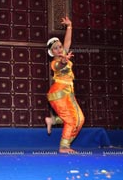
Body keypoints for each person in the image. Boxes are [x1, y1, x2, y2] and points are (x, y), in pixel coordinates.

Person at [45, 16, 85, 153]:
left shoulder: (64, 53)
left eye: (60, 46)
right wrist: (63, 61)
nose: (60, 49)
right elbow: (61, 66)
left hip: (68, 91)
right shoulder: (54, 63)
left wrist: (69, 26)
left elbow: (67, 41)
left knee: (80, 120)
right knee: (71, 120)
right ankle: (64, 147)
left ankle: (53, 121)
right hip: (59, 93)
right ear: (52, 52)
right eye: (56, 48)